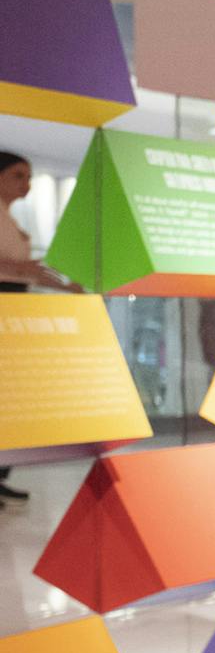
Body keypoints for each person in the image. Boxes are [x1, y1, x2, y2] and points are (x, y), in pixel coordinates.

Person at [0, 151, 81, 504]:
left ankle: (2, 472)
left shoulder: (9, 218)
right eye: (18, 175)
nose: (26, 184)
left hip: (15, 305)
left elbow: (23, 268)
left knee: (12, 396)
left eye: (29, 176)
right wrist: (26, 271)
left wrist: (63, 284)